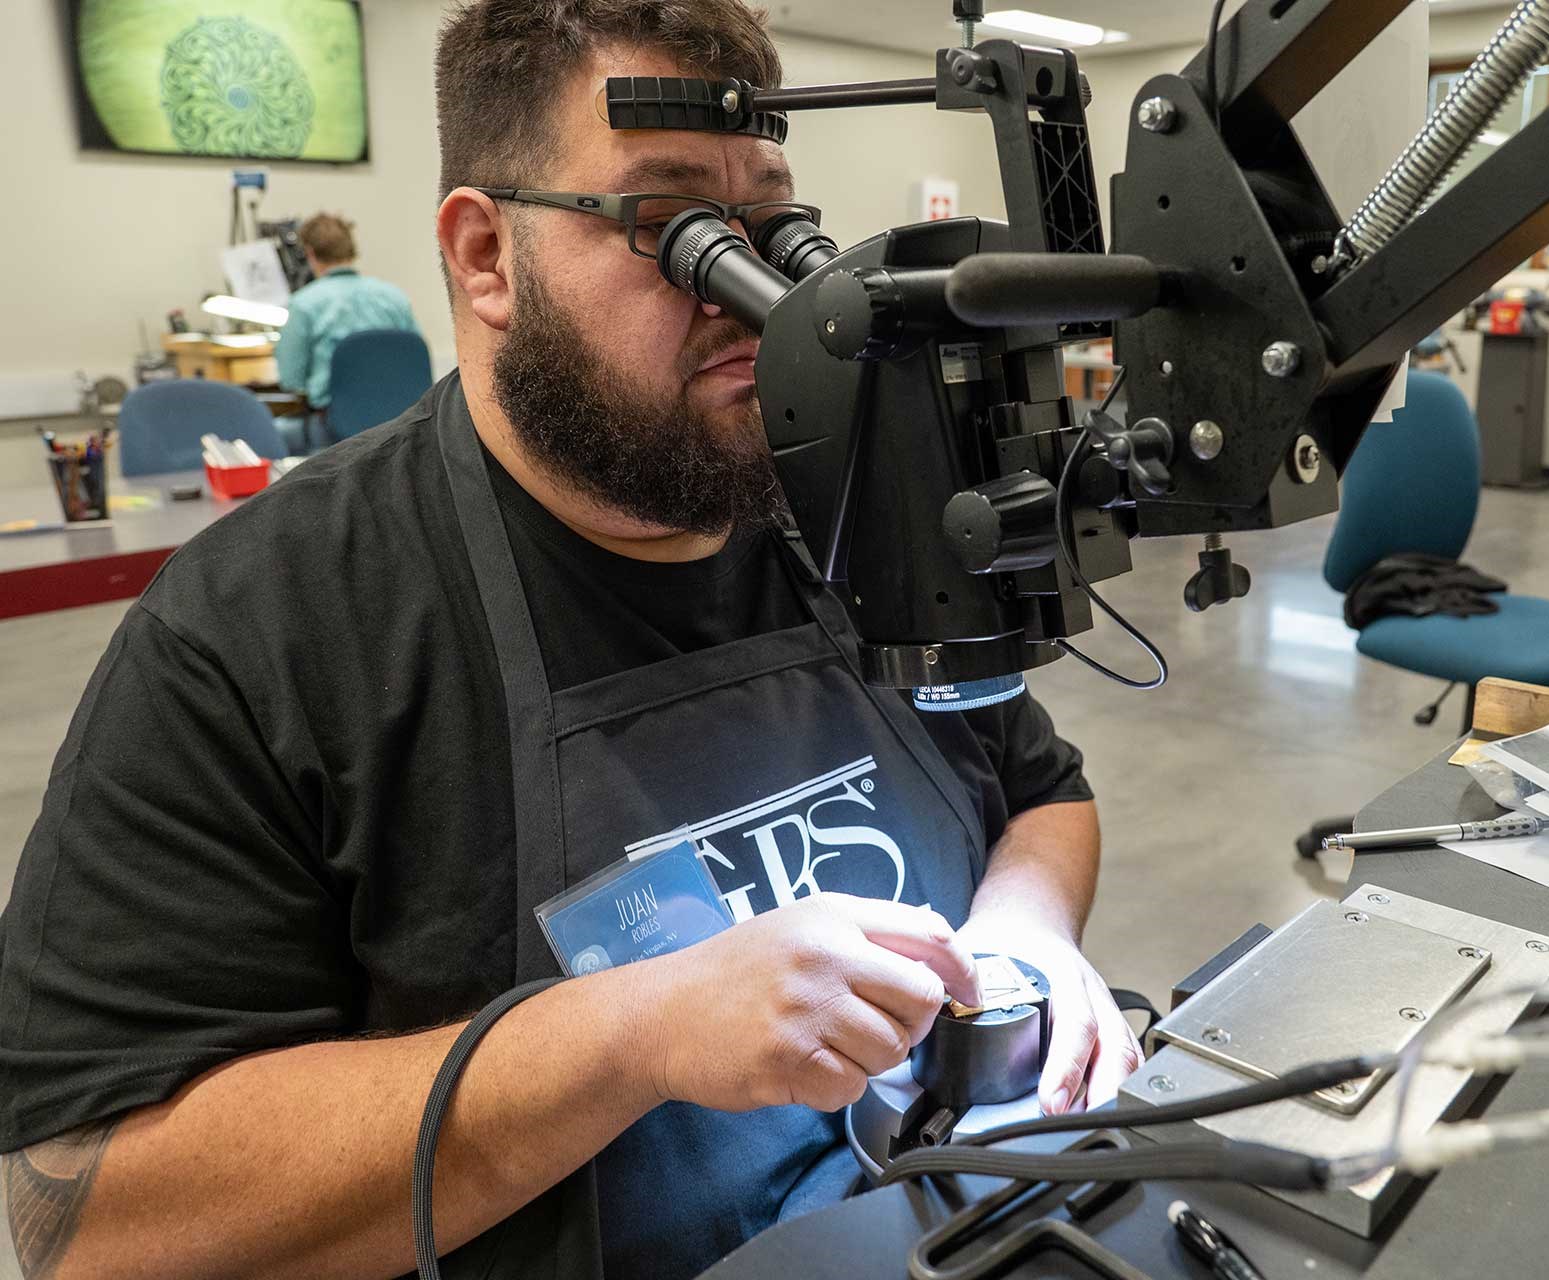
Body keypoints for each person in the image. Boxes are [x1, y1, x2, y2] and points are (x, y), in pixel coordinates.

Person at [0, 3, 1139, 1279]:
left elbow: (1045, 793)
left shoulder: (846, 507)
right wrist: (631, 1031)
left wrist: (1025, 940)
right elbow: (84, 1223)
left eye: (775, 227)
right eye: (677, 232)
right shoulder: (265, 625)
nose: (760, 300)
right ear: (487, 257)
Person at [275, 211, 420, 446]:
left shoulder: (304, 304)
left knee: (276, 432)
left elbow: (291, 379)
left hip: (336, 431)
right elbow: (414, 362)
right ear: (350, 249)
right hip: (400, 428)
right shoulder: (395, 297)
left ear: (310, 253)